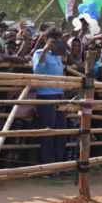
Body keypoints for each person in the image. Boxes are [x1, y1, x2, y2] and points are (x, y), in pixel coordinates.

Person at [31, 28, 66, 164]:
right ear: (46, 39)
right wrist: (45, 50)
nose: (56, 42)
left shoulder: (58, 56)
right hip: (46, 96)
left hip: (59, 95)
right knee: (48, 131)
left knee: (60, 130)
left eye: (58, 39)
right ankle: (47, 164)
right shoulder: (39, 53)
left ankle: (59, 163)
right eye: (53, 39)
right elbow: (37, 71)